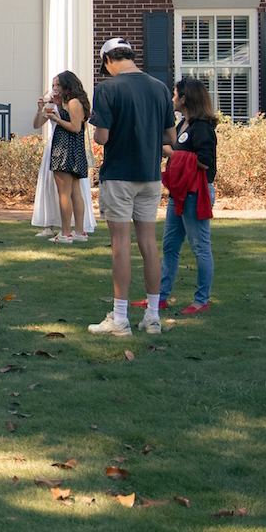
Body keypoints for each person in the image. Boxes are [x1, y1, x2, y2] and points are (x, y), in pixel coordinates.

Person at [86, 37, 175, 337]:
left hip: (120, 174)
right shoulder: (160, 87)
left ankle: (120, 318)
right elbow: (170, 138)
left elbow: (102, 138)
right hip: (150, 175)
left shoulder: (107, 88)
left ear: (109, 60)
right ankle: (152, 317)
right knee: (149, 245)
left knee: (120, 246)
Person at [159, 78, 220, 315]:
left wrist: (172, 154)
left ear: (185, 98)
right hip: (180, 192)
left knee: (200, 246)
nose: (172, 98)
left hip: (196, 192)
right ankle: (161, 296)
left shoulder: (202, 127)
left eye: (175, 94)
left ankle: (201, 299)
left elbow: (205, 162)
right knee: (170, 245)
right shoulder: (183, 123)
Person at [33, 71, 92, 243]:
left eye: (58, 85)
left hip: (65, 149)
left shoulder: (74, 103)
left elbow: (75, 127)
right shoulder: (60, 104)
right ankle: (79, 232)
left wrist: (56, 119)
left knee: (65, 193)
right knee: (74, 192)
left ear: (68, 85)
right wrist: (41, 110)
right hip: (71, 149)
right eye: (53, 85)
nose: (55, 89)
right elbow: (37, 124)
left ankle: (66, 233)